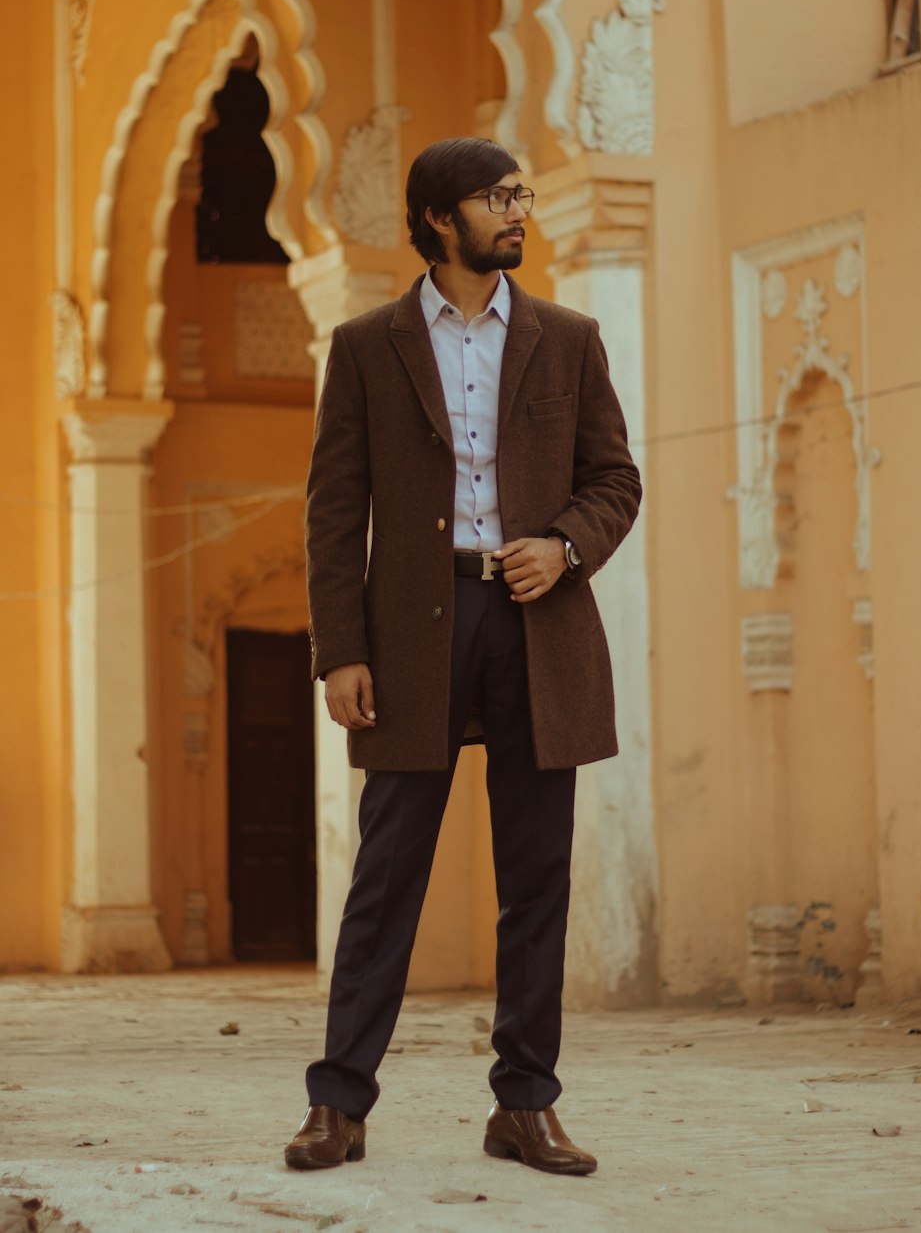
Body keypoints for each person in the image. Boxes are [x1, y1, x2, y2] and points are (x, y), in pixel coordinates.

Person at [285, 136, 641, 1177]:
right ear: (441, 219)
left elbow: (614, 479)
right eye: (498, 198)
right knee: (386, 878)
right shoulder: (365, 345)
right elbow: (332, 511)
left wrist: (564, 545)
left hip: (539, 623)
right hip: (412, 633)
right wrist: (339, 651)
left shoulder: (569, 339)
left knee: (536, 879)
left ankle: (524, 1107)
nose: (517, 212)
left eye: (521, 195)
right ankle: (337, 1106)